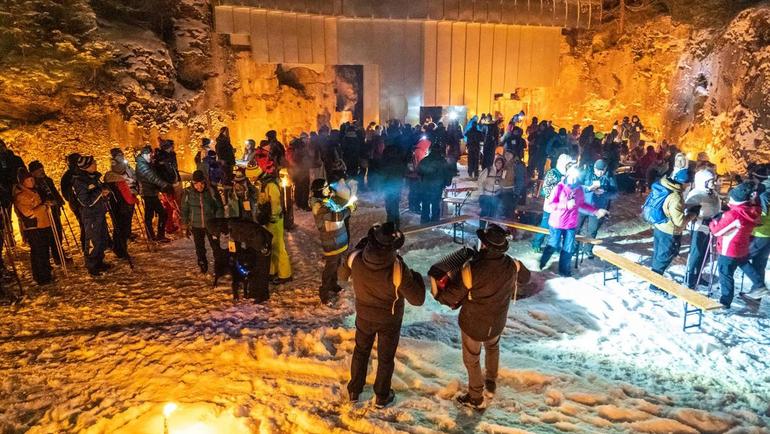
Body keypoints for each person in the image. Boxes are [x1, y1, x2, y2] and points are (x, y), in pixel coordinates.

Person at [434, 224, 530, 409]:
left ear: (484, 245)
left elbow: (452, 297)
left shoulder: (471, 269)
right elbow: (526, 277)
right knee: (493, 347)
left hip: (473, 324)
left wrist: (438, 292)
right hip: (497, 321)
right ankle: (491, 381)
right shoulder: (511, 264)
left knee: (472, 358)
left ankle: (476, 397)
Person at [340, 222, 426, 407]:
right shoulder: (397, 268)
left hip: (364, 315)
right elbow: (417, 299)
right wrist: (416, 276)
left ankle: (354, 390)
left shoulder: (356, 257)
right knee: (385, 358)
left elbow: (341, 276)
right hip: (389, 320)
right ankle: (381, 395)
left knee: (361, 351)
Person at [540, 166, 608, 276]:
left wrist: (596, 211)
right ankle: (543, 261)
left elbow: (582, 204)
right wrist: (566, 205)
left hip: (571, 224)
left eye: (575, 177)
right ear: (567, 175)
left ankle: (564, 271)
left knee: (568, 248)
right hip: (557, 222)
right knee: (554, 244)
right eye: (571, 176)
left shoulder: (579, 189)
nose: (573, 179)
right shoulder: (559, 187)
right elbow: (551, 204)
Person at [709, 182, 761, 308]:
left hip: (729, 248)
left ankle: (725, 302)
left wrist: (713, 221)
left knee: (725, 273)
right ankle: (759, 284)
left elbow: (717, 231)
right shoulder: (751, 210)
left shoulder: (734, 214)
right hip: (742, 246)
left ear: (736, 199)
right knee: (743, 263)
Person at [647, 170, 692, 292]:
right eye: (688, 184)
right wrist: (692, 214)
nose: (689, 186)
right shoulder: (676, 196)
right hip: (669, 231)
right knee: (664, 257)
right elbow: (679, 222)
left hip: (660, 227)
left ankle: (654, 280)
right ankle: (654, 285)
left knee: (659, 255)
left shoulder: (665, 186)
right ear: (685, 183)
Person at [310, 178, 352, 304]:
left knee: (336, 264)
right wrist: (350, 209)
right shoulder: (320, 206)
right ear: (320, 191)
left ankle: (333, 285)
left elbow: (337, 205)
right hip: (331, 241)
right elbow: (336, 216)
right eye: (326, 188)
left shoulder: (326, 201)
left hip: (337, 239)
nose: (329, 190)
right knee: (330, 267)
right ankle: (325, 292)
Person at [71, 155, 112, 276]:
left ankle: (99, 261)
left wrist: (105, 194)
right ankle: (92, 265)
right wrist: (100, 191)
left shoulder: (95, 177)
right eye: (93, 163)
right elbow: (86, 202)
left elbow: (99, 194)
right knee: (93, 240)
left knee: (101, 237)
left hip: (99, 212)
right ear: (86, 167)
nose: (96, 164)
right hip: (91, 215)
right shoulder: (79, 182)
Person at [13, 170, 55, 285]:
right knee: (38, 252)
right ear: (23, 182)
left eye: (32, 179)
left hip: (42, 224)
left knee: (44, 250)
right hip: (34, 227)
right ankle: (42, 277)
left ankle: (46, 274)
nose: (31, 182)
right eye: (28, 180)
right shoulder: (22, 196)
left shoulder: (34, 192)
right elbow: (28, 213)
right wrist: (43, 207)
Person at [683, 167, 721, 289]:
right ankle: (690, 277)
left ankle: (698, 275)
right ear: (703, 181)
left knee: (705, 253)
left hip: (710, 226)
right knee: (696, 253)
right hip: (699, 227)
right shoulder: (696, 194)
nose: (713, 183)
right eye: (710, 181)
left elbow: (716, 207)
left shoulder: (712, 193)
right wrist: (700, 218)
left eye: (713, 180)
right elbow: (687, 211)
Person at [181, 170, 223, 274]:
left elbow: (219, 207)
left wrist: (218, 221)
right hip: (196, 225)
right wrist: (185, 224)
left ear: (204, 182)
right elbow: (185, 209)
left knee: (216, 247)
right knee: (199, 247)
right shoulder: (188, 193)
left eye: (201, 184)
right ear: (193, 183)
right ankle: (202, 264)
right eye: (196, 184)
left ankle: (219, 266)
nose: (199, 186)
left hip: (211, 224)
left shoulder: (211, 191)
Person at [255, 164, 292, 284]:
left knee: (279, 247)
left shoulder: (270, 185)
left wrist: (273, 217)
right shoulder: (266, 183)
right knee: (271, 245)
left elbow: (275, 203)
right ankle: (272, 271)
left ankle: (285, 274)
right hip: (270, 219)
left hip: (274, 220)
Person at [28, 160, 70, 265]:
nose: (42, 172)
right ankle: (56, 257)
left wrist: (59, 201)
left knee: (58, 233)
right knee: (51, 235)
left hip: (54, 210)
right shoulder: (33, 185)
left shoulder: (48, 180)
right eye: (38, 170)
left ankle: (59, 255)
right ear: (33, 173)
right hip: (45, 213)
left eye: (42, 169)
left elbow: (54, 192)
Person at [531, 154, 573, 252]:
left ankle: (555, 246)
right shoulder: (553, 173)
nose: (570, 166)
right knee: (545, 225)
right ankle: (536, 243)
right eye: (568, 164)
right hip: (551, 207)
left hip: (562, 207)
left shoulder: (568, 175)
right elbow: (546, 189)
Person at [104, 149, 139, 260]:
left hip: (127, 200)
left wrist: (135, 189)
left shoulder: (126, 167)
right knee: (120, 227)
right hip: (119, 204)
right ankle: (120, 250)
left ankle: (121, 248)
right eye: (119, 155)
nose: (121, 156)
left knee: (125, 225)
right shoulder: (112, 175)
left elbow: (134, 178)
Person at [578, 159, 617, 258]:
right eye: (597, 170)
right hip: (582, 205)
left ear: (605, 169)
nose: (600, 173)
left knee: (592, 230)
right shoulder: (586, 172)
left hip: (597, 208)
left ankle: (588, 249)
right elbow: (575, 185)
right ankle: (574, 247)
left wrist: (604, 193)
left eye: (602, 171)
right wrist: (587, 188)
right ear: (594, 167)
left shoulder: (609, 177)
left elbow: (615, 193)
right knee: (576, 228)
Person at [740, 178, 770, 301]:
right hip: (767, 235)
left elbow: (760, 216)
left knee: (739, 258)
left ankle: (759, 286)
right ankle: (757, 292)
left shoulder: (764, 194)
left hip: (761, 234)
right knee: (759, 264)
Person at [135, 146, 171, 242]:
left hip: (151, 192)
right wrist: (164, 185)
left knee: (151, 215)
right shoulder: (141, 165)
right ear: (144, 154)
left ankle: (154, 236)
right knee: (160, 214)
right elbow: (152, 177)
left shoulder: (146, 163)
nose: (151, 156)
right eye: (150, 155)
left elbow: (154, 175)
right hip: (148, 193)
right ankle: (157, 236)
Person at [417, 143, 451, 223]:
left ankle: (424, 220)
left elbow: (419, 172)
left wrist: (421, 182)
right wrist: (447, 182)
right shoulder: (443, 161)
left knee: (425, 203)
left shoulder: (425, 160)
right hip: (438, 186)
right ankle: (435, 221)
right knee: (435, 203)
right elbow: (448, 173)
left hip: (426, 185)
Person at [60, 153, 86, 252]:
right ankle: (85, 245)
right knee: (84, 224)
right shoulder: (68, 176)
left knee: (86, 224)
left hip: (80, 203)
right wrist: (74, 201)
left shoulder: (80, 172)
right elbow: (66, 193)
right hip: (78, 204)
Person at [478, 155, 505, 228]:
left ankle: (490, 230)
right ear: (495, 163)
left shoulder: (502, 172)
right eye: (497, 162)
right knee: (484, 213)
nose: (499, 164)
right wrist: (481, 193)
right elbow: (480, 181)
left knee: (493, 215)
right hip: (486, 195)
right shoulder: (488, 170)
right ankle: (482, 228)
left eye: (501, 163)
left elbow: (503, 183)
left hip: (495, 197)